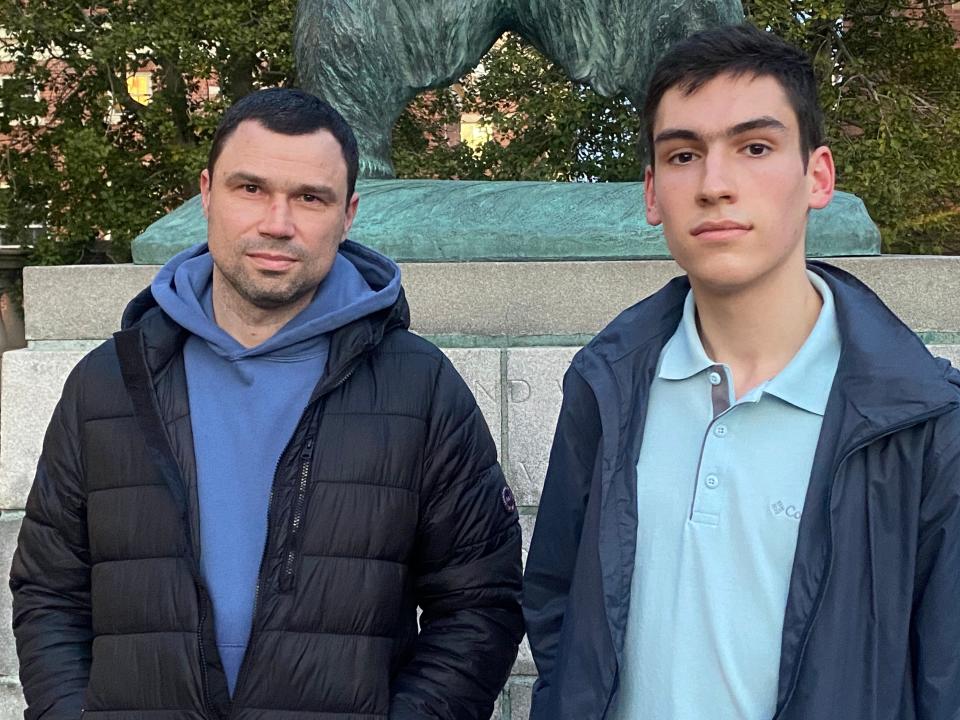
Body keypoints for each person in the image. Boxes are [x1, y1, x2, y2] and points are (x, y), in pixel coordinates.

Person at [11, 88, 523, 719]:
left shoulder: (420, 388)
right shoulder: (109, 383)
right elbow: (49, 592)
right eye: (250, 188)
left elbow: (480, 602)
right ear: (207, 193)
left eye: (310, 197)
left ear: (348, 214)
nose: (277, 222)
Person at [523, 24, 960, 720]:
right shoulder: (605, 387)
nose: (714, 185)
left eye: (754, 148)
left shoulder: (924, 424)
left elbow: (944, 675)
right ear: (652, 193)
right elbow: (556, 607)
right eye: (683, 154)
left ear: (818, 177)